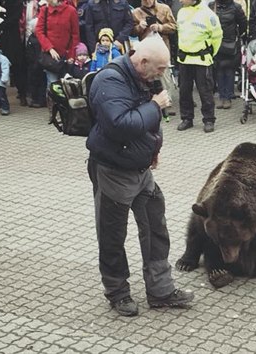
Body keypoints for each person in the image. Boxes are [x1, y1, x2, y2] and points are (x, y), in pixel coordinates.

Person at [86, 36, 194, 317]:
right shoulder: (109, 81)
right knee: (112, 236)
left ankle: (161, 290)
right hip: (113, 172)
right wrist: (155, 105)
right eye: (159, 69)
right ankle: (118, 293)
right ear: (142, 62)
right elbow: (121, 125)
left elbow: (149, 124)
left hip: (141, 171)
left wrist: (153, 150)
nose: (162, 75)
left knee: (156, 229)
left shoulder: (144, 78)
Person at [175, 0, 222, 133]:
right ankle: (186, 118)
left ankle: (208, 119)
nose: (180, 1)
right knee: (184, 91)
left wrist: (210, 53)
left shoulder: (208, 14)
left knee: (205, 91)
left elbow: (217, 37)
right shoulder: (181, 12)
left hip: (202, 60)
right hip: (184, 59)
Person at [131, 0, 177, 115]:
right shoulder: (136, 12)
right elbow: (131, 31)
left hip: (162, 48)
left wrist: (160, 27)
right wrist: (139, 27)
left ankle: (167, 102)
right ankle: (150, 102)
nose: (147, 1)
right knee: (147, 76)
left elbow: (174, 27)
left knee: (164, 75)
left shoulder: (164, 8)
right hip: (146, 50)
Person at [209, 0, 247, 110]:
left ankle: (228, 96)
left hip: (231, 42)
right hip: (216, 42)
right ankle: (222, 96)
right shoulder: (212, 5)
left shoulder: (236, 7)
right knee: (219, 69)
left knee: (229, 69)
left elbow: (243, 23)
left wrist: (237, 36)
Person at [34, 0, 79, 85]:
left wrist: (72, 55)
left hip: (66, 56)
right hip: (51, 58)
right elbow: (39, 31)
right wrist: (49, 48)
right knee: (53, 84)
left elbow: (75, 35)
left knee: (68, 85)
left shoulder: (71, 11)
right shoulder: (44, 10)